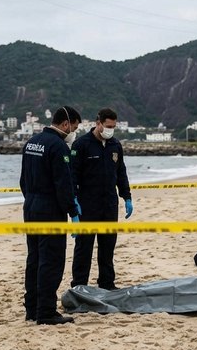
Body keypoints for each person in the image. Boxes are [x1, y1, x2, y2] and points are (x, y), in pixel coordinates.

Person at [20, 105, 82, 325]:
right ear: (66, 124)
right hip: (49, 209)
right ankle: (45, 311)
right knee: (51, 260)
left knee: (34, 258)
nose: (74, 132)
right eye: (74, 127)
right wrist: (73, 212)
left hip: (31, 206)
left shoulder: (31, 143)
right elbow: (63, 185)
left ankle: (32, 308)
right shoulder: (58, 147)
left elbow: (23, 180)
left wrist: (31, 200)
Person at [70, 108, 132, 290]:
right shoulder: (81, 145)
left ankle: (107, 283)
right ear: (98, 123)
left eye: (113, 126)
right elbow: (72, 175)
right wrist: (73, 201)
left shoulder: (115, 145)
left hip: (109, 204)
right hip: (87, 205)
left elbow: (121, 173)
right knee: (84, 248)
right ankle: (79, 285)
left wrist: (126, 196)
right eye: (107, 126)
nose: (110, 129)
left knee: (107, 247)